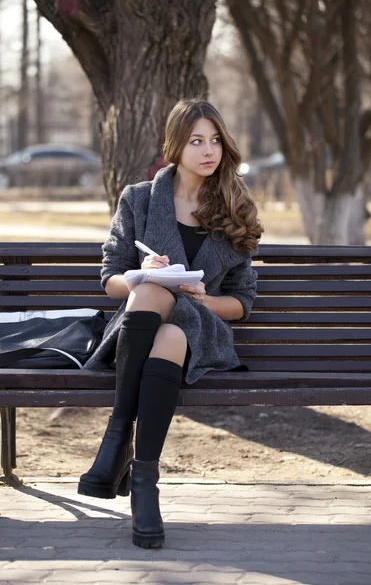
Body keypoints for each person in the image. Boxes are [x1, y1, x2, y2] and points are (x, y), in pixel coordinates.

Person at [78, 98, 264, 549]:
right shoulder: (139, 199)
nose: (208, 150)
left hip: (203, 328)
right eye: (196, 140)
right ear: (175, 145)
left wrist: (203, 296)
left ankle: (116, 441)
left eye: (215, 140)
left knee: (175, 317)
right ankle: (145, 482)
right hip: (147, 325)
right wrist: (145, 275)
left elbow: (242, 303)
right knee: (157, 304)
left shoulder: (234, 206)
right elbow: (111, 279)